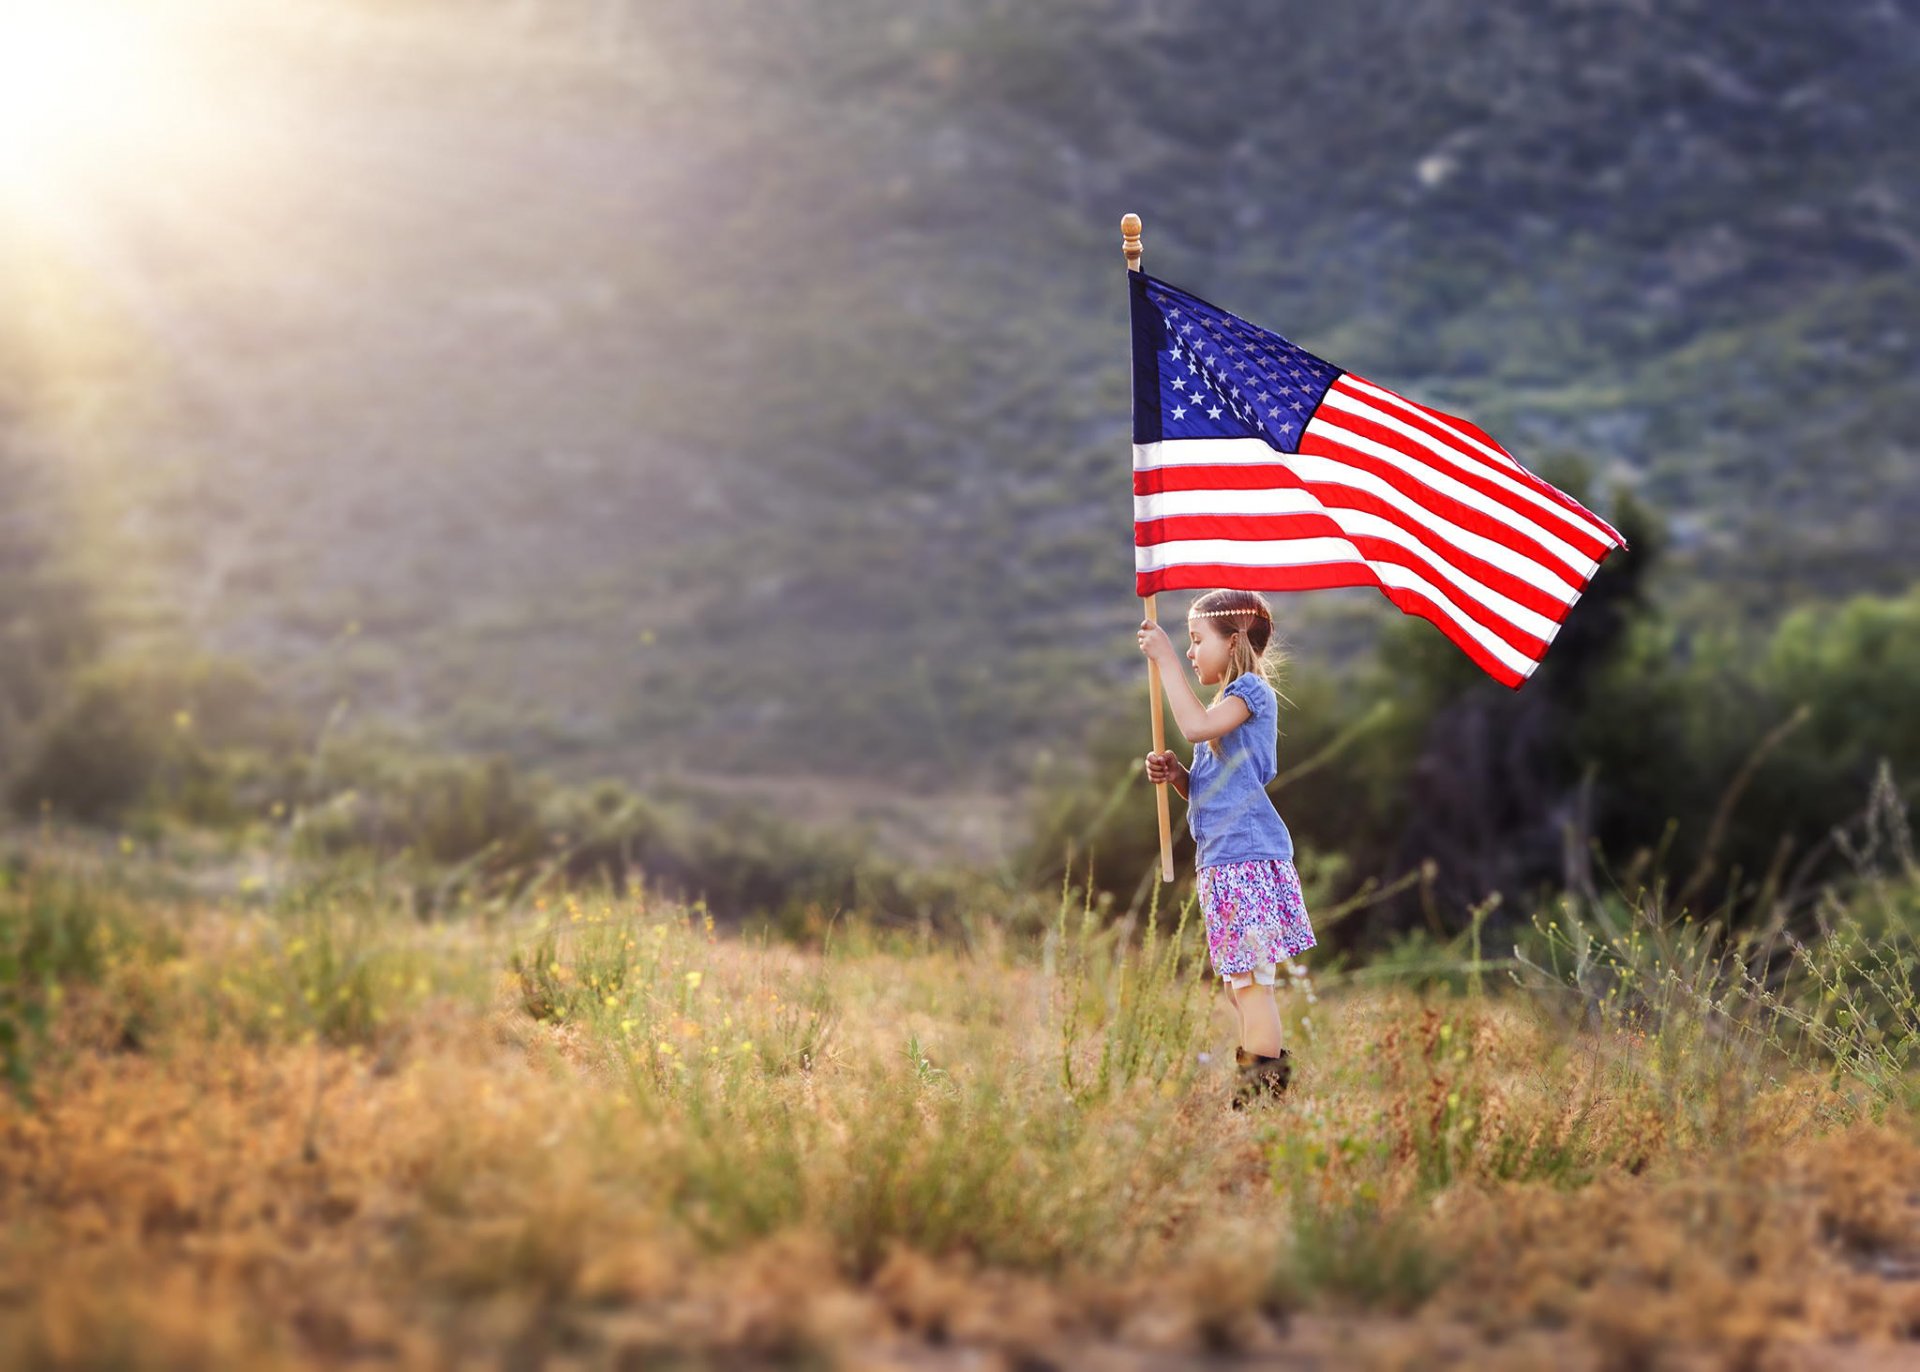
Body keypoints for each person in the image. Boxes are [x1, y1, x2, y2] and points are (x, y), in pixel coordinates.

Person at [1135, 588, 1316, 1109]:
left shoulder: (1250, 692)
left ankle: (1258, 1103)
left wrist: (1163, 656)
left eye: (1196, 640)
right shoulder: (1225, 704)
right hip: (1225, 861)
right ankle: (1269, 1094)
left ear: (1233, 641)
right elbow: (1219, 790)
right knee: (1241, 985)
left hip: (1246, 861)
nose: (1189, 652)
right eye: (1185, 644)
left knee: (1251, 983)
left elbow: (1192, 725)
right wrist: (1179, 777)